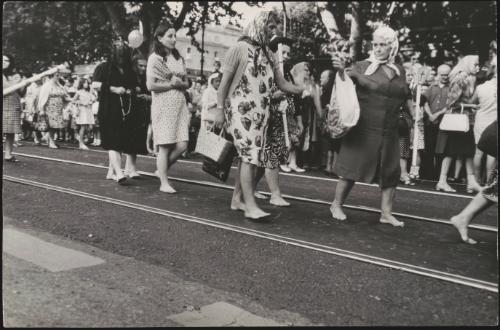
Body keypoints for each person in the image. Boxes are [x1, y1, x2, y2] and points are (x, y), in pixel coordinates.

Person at [213, 10, 307, 220]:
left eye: (275, 27)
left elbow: (281, 83)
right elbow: (223, 85)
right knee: (250, 158)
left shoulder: (268, 53)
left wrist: (298, 89)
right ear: (260, 25)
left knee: (251, 157)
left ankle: (237, 200)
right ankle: (250, 206)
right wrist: (220, 111)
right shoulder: (238, 48)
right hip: (241, 113)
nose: (273, 31)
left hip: (261, 115)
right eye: (270, 26)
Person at [330, 26, 410, 227]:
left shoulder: (400, 70)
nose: (378, 48)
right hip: (364, 128)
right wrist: (341, 70)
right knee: (351, 169)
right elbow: (344, 82)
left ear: (392, 46)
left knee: (391, 173)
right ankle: (336, 205)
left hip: (390, 129)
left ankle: (386, 213)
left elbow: (404, 95)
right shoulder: (361, 66)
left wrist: (413, 113)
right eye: (375, 44)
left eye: (383, 45)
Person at [146, 23, 190, 193]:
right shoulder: (155, 58)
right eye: (169, 36)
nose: (173, 39)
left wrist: (181, 84)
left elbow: (186, 83)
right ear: (159, 38)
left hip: (179, 105)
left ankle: (160, 170)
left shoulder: (179, 58)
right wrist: (172, 85)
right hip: (163, 105)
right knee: (164, 145)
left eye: (174, 35)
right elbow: (151, 85)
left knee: (182, 145)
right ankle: (164, 182)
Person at [92, 37, 138, 184]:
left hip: (124, 110)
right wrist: (113, 89)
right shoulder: (103, 67)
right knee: (112, 142)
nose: (121, 59)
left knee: (118, 142)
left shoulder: (129, 70)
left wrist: (131, 90)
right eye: (119, 55)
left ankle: (110, 172)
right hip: (108, 108)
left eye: (123, 55)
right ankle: (119, 174)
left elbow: (134, 86)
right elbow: (95, 85)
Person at [435, 55, 482, 193]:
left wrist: (470, 106)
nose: (478, 67)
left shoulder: (469, 78)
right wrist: (471, 105)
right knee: (455, 151)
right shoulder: (461, 78)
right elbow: (452, 103)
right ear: (467, 64)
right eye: (475, 64)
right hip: (459, 121)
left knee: (466, 151)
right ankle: (443, 181)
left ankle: (469, 181)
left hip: (465, 120)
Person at [451, 120, 497, 244]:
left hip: (492, 132)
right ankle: (463, 217)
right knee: (495, 187)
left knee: (495, 187)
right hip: (494, 134)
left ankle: (463, 218)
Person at [421, 64, 451, 180]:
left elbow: (449, 105)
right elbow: (424, 101)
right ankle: (428, 173)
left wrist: (436, 115)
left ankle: (439, 174)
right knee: (429, 148)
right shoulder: (432, 87)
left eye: (447, 75)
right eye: (442, 75)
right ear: (439, 74)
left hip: (444, 122)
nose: (445, 77)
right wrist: (430, 115)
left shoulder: (451, 88)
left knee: (441, 149)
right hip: (431, 122)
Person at [470, 56, 497, 185]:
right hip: (494, 122)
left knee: (478, 152)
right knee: (492, 154)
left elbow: (472, 103)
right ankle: (489, 182)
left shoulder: (481, 87)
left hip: (480, 121)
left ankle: (476, 180)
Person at [293, 62, 323, 171]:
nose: (308, 72)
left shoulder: (312, 86)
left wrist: (322, 119)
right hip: (294, 114)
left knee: (305, 137)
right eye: (306, 70)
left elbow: (317, 104)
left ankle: (299, 161)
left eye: (309, 70)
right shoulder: (294, 82)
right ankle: (288, 161)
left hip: (307, 116)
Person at [38, 70, 71, 149]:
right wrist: (41, 109)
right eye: (56, 75)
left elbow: (65, 95)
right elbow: (42, 97)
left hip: (58, 108)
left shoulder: (59, 85)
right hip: (50, 107)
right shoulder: (47, 85)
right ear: (51, 76)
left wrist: (70, 99)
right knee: (51, 125)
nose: (58, 77)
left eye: (58, 75)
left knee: (56, 125)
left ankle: (49, 139)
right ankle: (51, 142)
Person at [3, 54, 26, 162]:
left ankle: (8, 154)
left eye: (6, 60)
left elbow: (21, 93)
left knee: (10, 131)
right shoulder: (16, 77)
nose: (4, 62)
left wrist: (24, 84)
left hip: (12, 103)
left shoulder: (16, 75)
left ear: (10, 62)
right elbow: (7, 87)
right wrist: (19, 82)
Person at [72, 78, 95, 150]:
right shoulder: (79, 92)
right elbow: (73, 101)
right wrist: (82, 103)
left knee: (90, 127)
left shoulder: (89, 92)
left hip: (88, 110)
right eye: (85, 83)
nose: (86, 84)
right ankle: (81, 143)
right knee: (83, 127)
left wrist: (91, 101)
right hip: (82, 110)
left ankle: (80, 138)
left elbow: (93, 99)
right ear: (81, 84)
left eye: (87, 83)